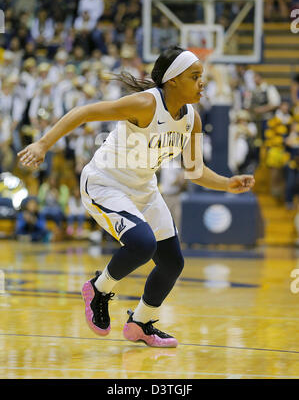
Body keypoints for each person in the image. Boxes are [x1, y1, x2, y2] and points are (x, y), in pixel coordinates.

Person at [18, 46, 255, 348]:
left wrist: (227, 184)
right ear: (172, 81)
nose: (202, 83)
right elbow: (84, 112)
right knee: (143, 243)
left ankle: (141, 323)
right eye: (194, 77)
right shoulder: (145, 104)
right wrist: (42, 144)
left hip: (144, 189)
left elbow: (195, 171)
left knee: (172, 263)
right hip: (105, 184)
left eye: (201, 77)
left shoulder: (191, 119)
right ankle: (98, 289)